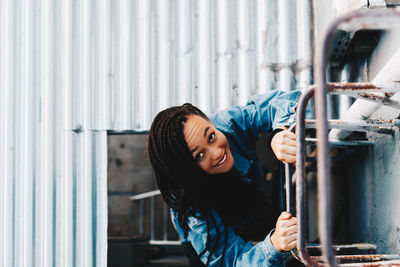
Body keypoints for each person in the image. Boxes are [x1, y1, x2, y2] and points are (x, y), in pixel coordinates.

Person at [148, 90, 302, 266]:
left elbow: (289, 100)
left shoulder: (227, 123)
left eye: (211, 136)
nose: (217, 152)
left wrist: (280, 131)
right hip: (213, 246)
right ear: (186, 170)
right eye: (199, 155)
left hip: (250, 211)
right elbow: (230, 261)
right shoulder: (194, 213)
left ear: (209, 122)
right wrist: (274, 246)